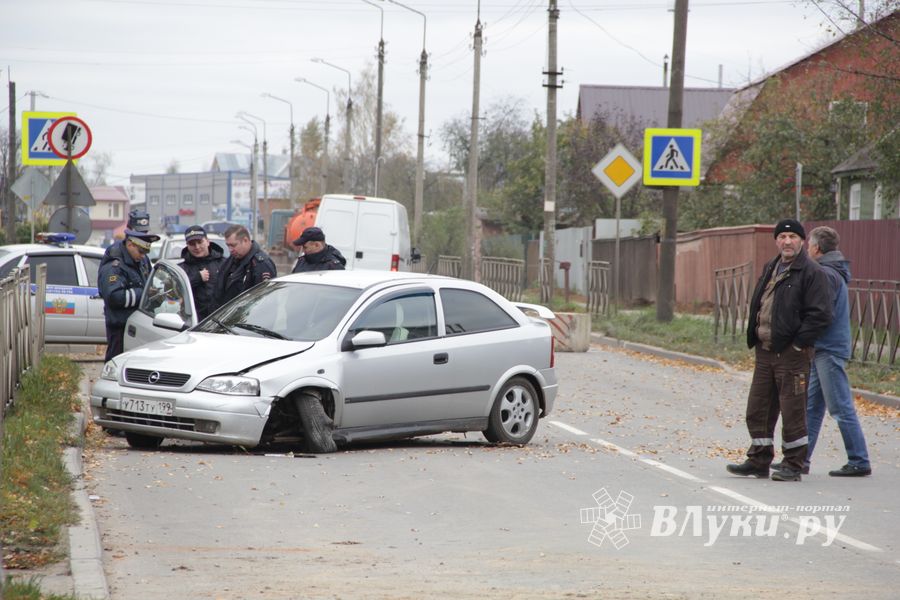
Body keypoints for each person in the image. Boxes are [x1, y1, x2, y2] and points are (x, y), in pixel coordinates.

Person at [727, 218, 832, 482]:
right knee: (758, 408)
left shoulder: (812, 272)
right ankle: (759, 460)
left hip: (792, 355)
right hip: (765, 351)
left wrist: (798, 344)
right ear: (776, 241)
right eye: (782, 237)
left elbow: (820, 315)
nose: (787, 242)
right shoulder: (771, 266)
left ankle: (793, 464)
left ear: (802, 241)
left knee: (793, 411)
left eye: (793, 237)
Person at [789, 226, 870, 477]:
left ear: (815, 248)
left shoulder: (824, 273)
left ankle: (859, 460)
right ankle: (800, 460)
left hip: (828, 348)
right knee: (812, 408)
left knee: (840, 407)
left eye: (808, 245)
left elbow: (821, 313)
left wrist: (801, 337)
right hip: (824, 347)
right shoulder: (835, 270)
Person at [98, 210, 160, 361]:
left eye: (145, 233)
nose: (143, 255)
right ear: (130, 242)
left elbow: (149, 283)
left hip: (140, 324)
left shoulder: (142, 259)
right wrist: (144, 294)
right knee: (117, 364)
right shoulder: (115, 263)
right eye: (141, 251)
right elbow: (114, 297)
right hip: (121, 327)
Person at [213, 224, 277, 309]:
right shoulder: (231, 260)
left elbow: (264, 301)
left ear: (245, 240)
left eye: (233, 245)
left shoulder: (261, 265)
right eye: (228, 245)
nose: (230, 250)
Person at [179, 224, 227, 321]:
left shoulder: (224, 263)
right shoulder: (181, 269)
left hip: (222, 320)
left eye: (200, 242)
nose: (197, 247)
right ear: (187, 245)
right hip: (194, 322)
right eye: (192, 244)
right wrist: (196, 278)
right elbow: (176, 292)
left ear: (208, 242)